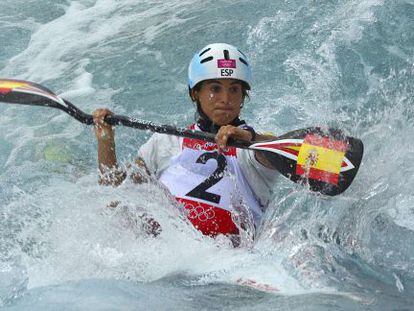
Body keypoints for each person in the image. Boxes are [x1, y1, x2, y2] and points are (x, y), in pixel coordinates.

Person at [93, 43, 278, 241]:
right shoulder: (167, 141)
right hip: (164, 249)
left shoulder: (254, 147)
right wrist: (106, 140)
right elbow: (115, 193)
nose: (226, 99)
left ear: (243, 96)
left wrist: (250, 139)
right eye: (215, 88)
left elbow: (282, 151)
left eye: (234, 89)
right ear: (194, 93)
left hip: (231, 258)